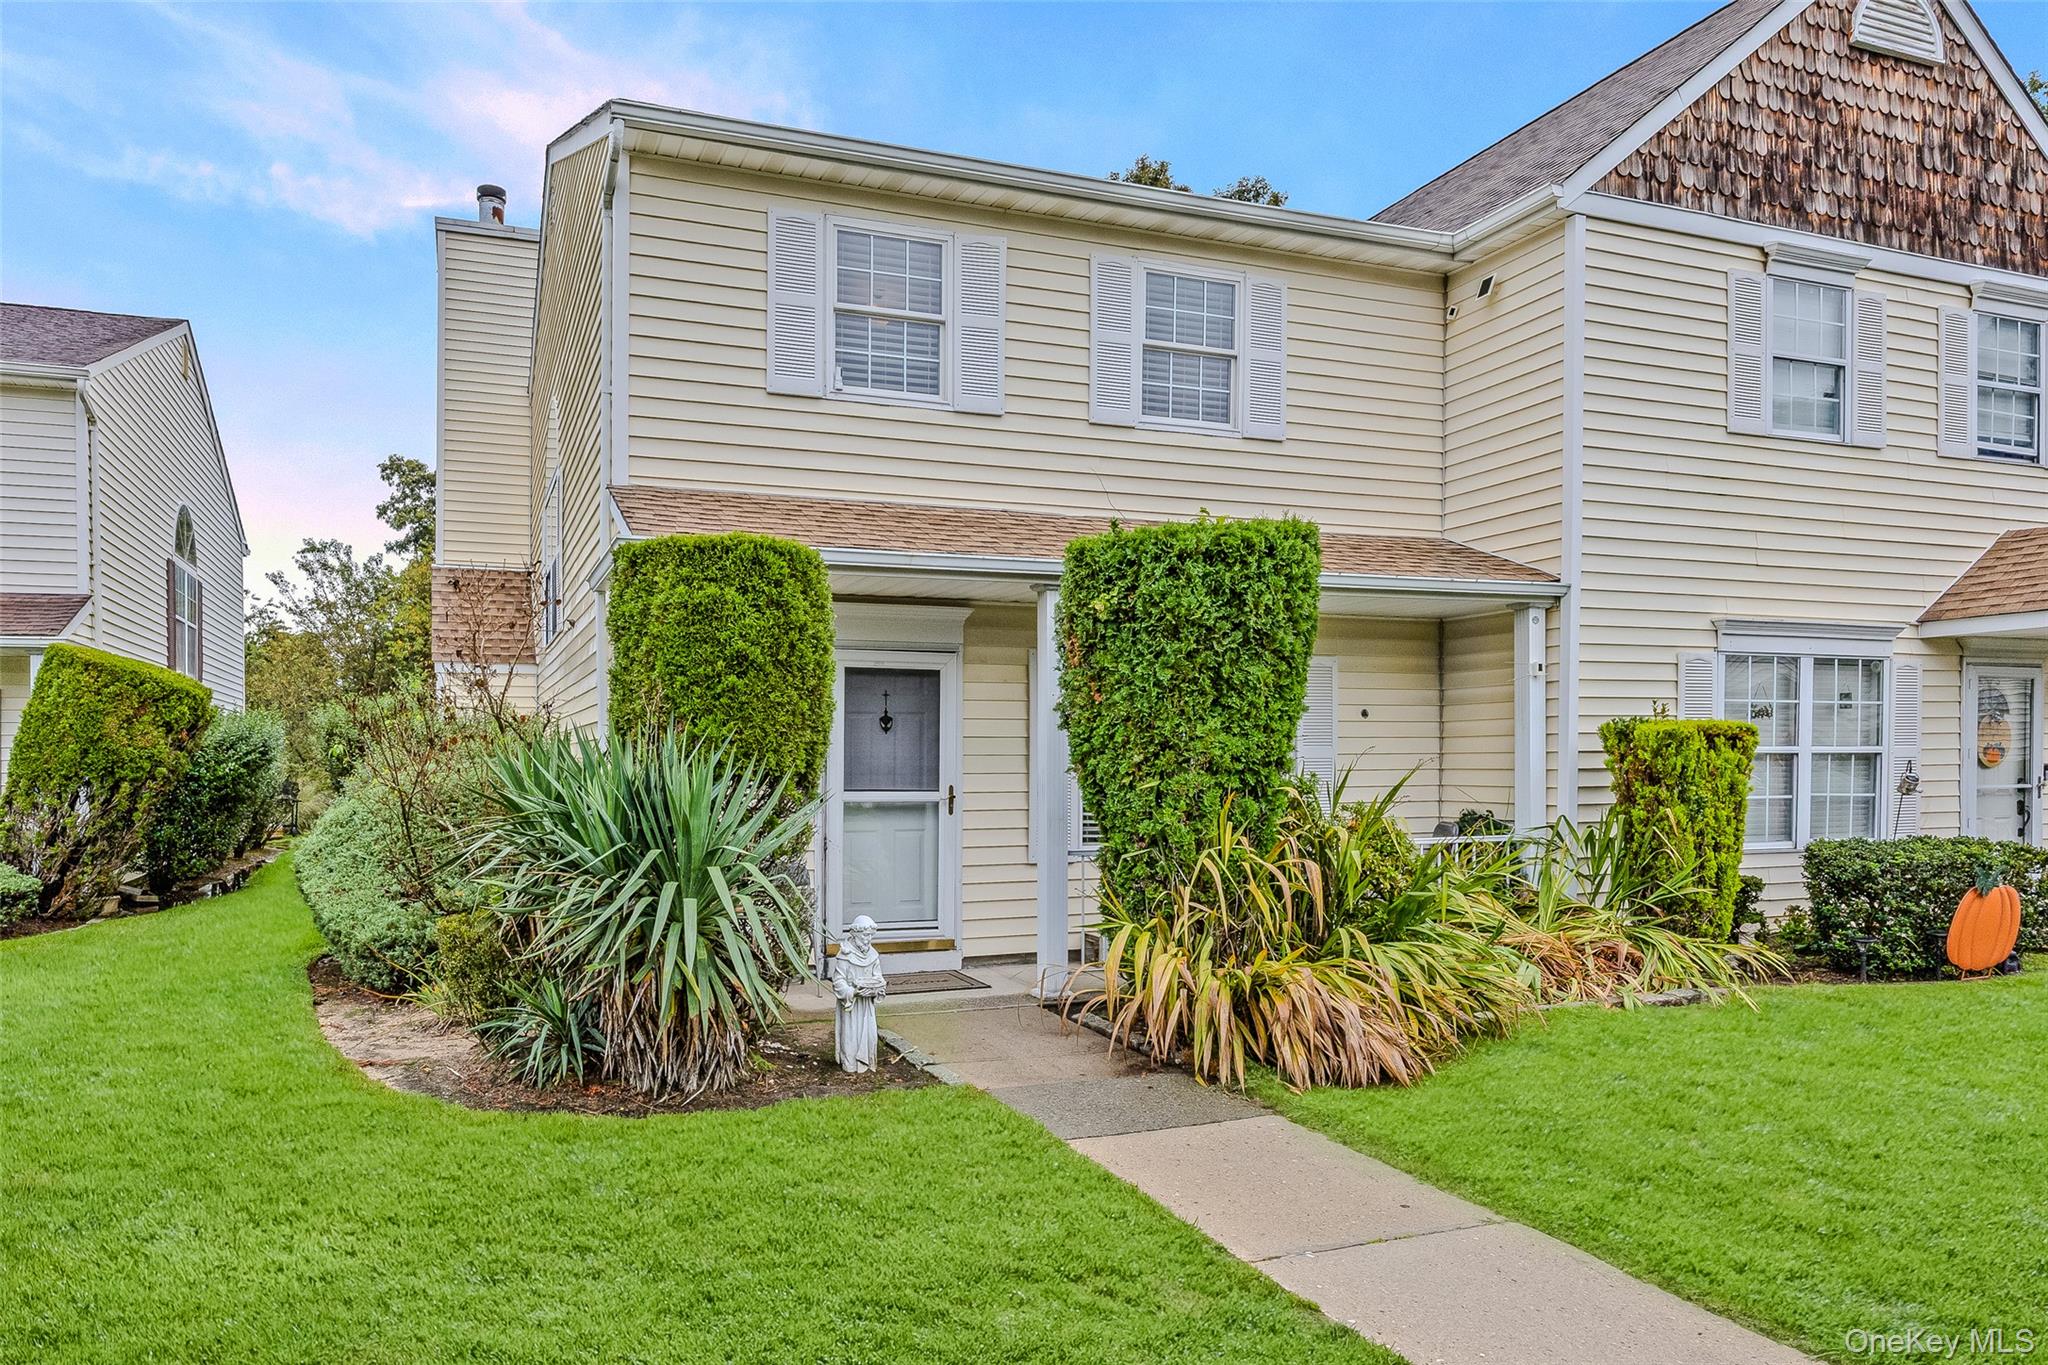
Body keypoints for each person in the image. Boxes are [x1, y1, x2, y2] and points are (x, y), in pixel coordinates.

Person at [830, 915, 887, 1072]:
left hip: (867, 1005)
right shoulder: (845, 955)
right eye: (865, 935)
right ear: (855, 934)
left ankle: (867, 1062)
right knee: (851, 1036)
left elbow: (878, 977)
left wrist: (879, 987)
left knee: (869, 1036)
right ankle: (850, 1064)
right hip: (852, 1006)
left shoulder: (873, 955)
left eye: (870, 935)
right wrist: (852, 992)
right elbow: (838, 981)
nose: (868, 939)